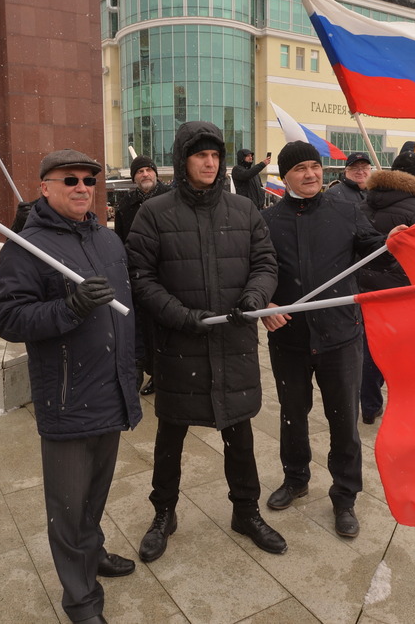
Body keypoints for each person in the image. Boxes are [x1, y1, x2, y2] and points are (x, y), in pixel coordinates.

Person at [0, 149, 142, 624]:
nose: (82, 188)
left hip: (111, 388)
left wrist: (133, 365)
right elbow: (8, 318)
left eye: (89, 181)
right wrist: (70, 308)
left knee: (95, 493)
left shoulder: (108, 240)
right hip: (67, 395)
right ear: (45, 187)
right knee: (68, 504)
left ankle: (91, 552)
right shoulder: (26, 246)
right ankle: (80, 599)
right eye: (70, 180)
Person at [126, 121, 286, 560]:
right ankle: (163, 512)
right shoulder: (154, 213)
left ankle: (246, 510)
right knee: (171, 436)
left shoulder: (243, 211)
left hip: (232, 343)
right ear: (182, 160)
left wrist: (255, 297)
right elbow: (141, 278)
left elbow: (265, 263)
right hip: (181, 346)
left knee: (240, 433)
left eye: (215, 155)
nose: (210, 162)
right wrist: (183, 317)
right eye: (200, 155)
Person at [259, 141, 388, 539]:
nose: (311, 174)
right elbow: (254, 271)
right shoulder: (267, 220)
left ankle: (345, 496)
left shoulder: (347, 210)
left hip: (341, 336)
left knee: (344, 421)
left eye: (315, 166)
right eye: (300, 168)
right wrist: (265, 302)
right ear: (285, 176)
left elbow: (374, 251)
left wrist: (395, 240)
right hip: (289, 337)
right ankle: (296, 478)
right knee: (292, 414)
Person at [357, 151, 415, 425]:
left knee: (369, 348)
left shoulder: (363, 202)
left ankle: (368, 405)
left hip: (363, 288)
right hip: (401, 290)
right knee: (402, 353)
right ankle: (407, 410)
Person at [113, 155, 171, 396]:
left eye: (149, 170)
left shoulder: (170, 199)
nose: (145, 174)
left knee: (163, 326)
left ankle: (163, 374)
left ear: (156, 174)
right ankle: (146, 369)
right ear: (134, 177)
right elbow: (119, 239)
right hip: (137, 273)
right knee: (141, 327)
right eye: (140, 171)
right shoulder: (126, 204)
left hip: (167, 273)